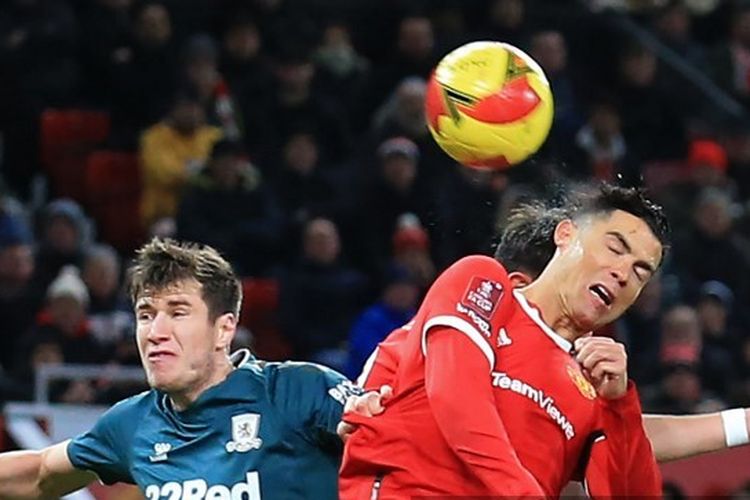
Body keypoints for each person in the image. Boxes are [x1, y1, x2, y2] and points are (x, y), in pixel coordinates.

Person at [340, 183, 666, 498]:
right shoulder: (487, 286)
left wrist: (620, 406)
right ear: (566, 235)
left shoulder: (595, 384)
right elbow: (457, 395)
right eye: (615, 248)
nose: (623, 273)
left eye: (640, 273)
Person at [0, 238, 361, 499]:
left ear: (223, 329)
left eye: (177, 312)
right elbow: (42, 473)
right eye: (146, 315)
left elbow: (398, 448)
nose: (156, 332)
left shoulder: (300, 390)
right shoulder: (133, 423)